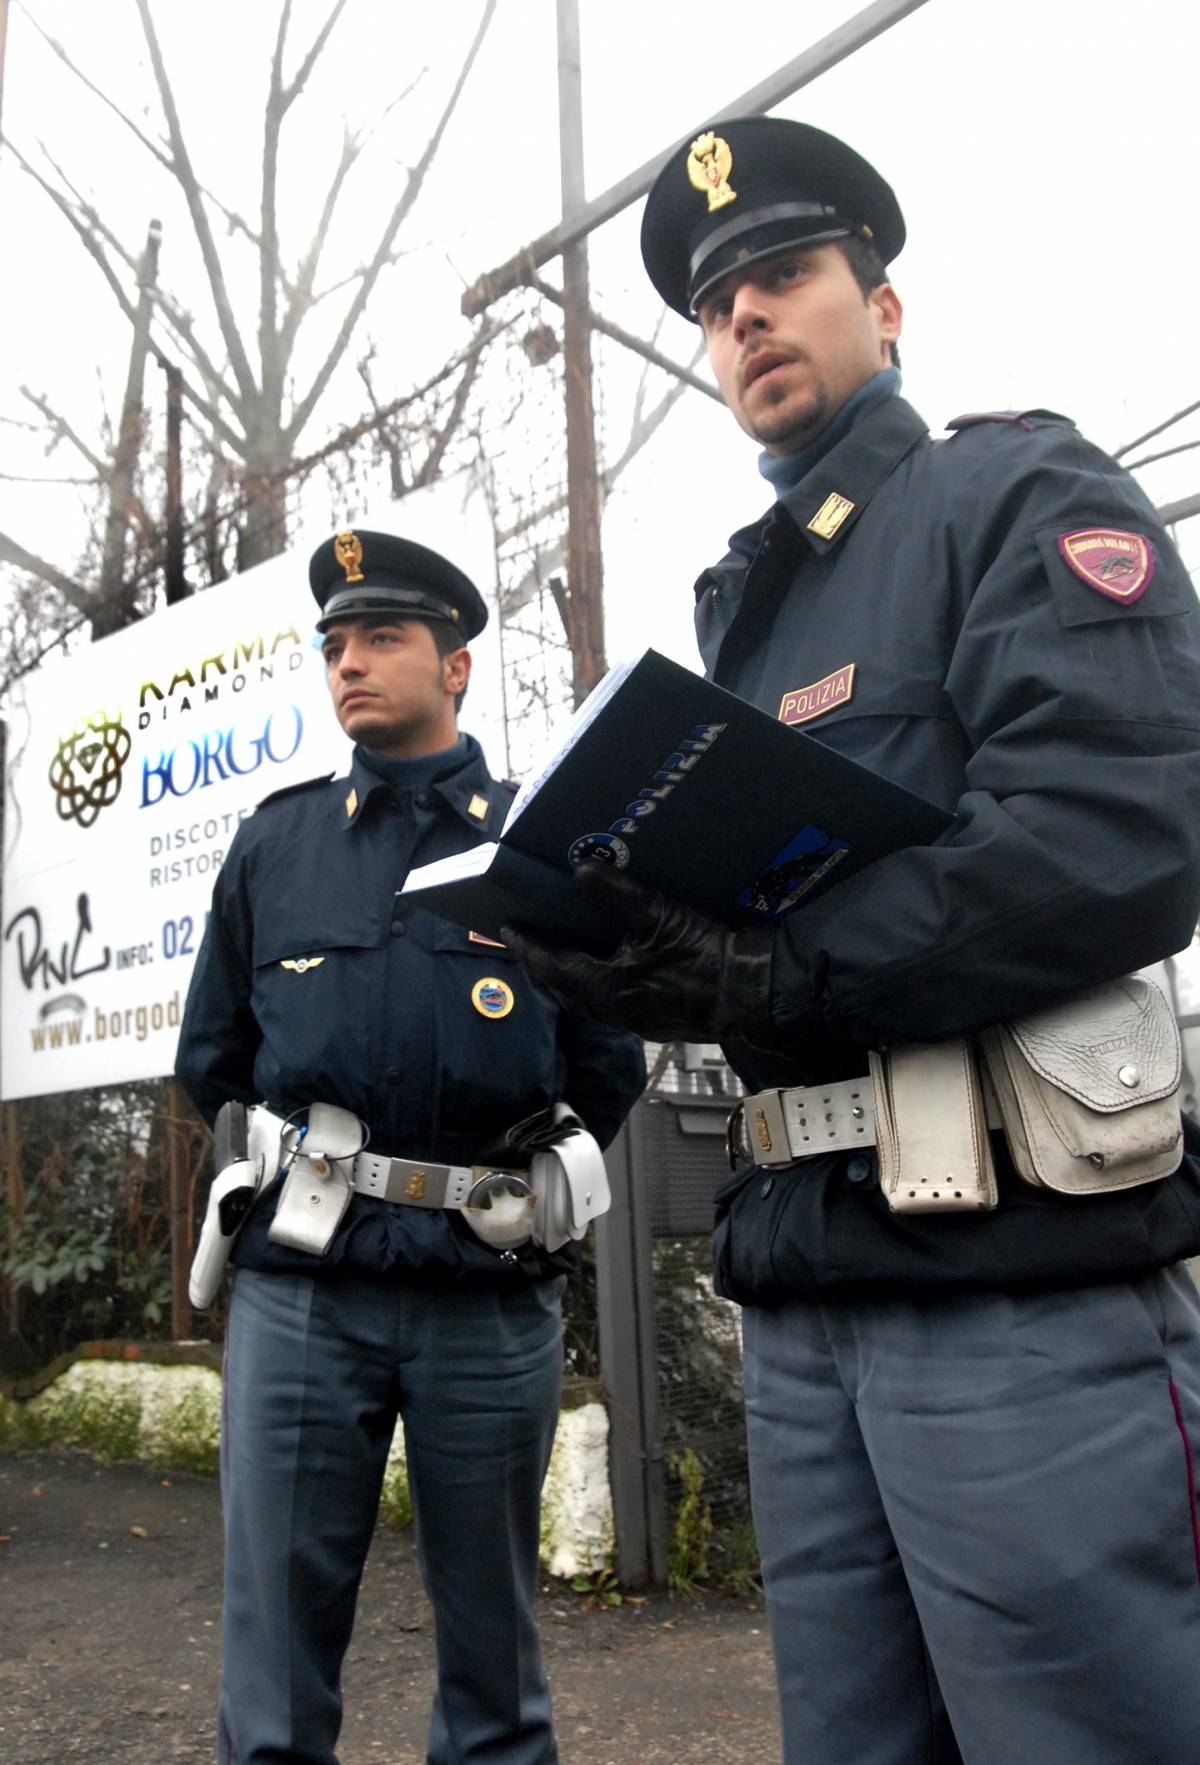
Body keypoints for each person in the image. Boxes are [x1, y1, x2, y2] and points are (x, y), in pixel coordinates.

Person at [504, 117, 1200, 1764]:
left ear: (884, 309)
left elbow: (1121, 828)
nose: (745, 314)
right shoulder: (742, 612)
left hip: (1008, 1284)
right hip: (802, 1294)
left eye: (785, 272)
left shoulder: (1011, 489)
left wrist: (767, 970)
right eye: (714, 299)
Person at [175, 528, 645, 1765]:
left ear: (459, 667)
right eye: (335, 642)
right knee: (271, 1672)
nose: (350, 663)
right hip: (302, 1292)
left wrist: (524, 1187)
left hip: (486, 1299)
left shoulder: (539, 848)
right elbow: (212, 1059)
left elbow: (608, 1066)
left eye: (383, 637)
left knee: (495, 1673)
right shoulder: (273, 846)